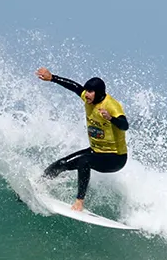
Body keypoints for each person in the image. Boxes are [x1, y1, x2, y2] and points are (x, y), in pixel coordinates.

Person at [36, 67, 129, 212]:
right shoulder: (88, 97)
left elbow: (124, 125)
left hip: (115, 158)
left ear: (99, 94)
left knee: (84, 161)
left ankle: (79, 202)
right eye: (87, 91)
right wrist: (52, 77)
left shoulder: (112, 106)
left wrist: (111, 118)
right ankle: (38, 185)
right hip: (96, 151)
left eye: (91, 92)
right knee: (61, 163)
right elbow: (75, 87)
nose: (87, 95)